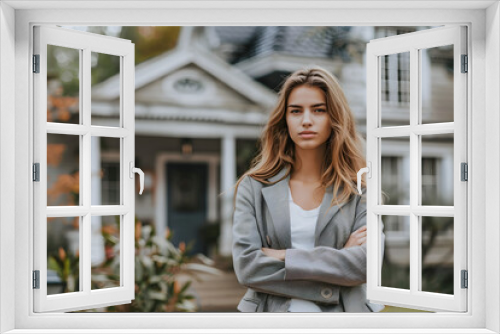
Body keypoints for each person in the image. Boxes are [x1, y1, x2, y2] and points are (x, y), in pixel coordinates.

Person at [231, 66, 385, 313]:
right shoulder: (254, 187)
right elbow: (248, 268)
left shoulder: (359, 187)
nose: (306, 120)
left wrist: (283, 256)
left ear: (334, 117)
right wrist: (338, 261)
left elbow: (366, 265)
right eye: (295, 111)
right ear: (285, 119)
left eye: (318, 110)